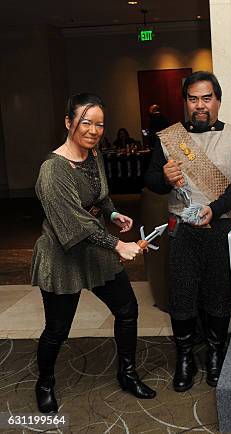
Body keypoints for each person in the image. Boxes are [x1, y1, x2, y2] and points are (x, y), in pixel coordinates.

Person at [31, 93, 156, 414]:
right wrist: (118, 244)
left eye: (100, 124)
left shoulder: (94, 154)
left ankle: (127, 373)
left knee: (127, 309)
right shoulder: (53, 170)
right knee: (57, 329)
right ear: (68, 122)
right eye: (86, 122)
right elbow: (74, 225)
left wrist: (113, 214)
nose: (94, 130)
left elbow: (100, 196)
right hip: (63, 254)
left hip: (94, 247)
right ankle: (44, 383)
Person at [144, 71, 231, 390]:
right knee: (181, 295)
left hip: (220, 226)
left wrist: (215, 209)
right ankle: (185, 358)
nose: (200, 105)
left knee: (218, 294)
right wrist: (164, 178)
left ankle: (216, 353)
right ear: (186, 103)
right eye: (193, 99)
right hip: (182, 228)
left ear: (218, 101)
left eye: (207, 98)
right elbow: (150, 180)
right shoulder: (169, 137)